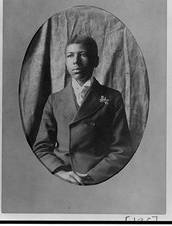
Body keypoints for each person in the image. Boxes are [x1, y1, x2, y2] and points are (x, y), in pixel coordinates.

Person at [33, 34, 134, 185]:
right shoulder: (54, 100)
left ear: (96, 61)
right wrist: (60, 172)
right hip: (61, 177)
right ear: (65, 62)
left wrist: (93, 176)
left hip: (97, 178)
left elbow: (122, 149)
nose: (76, 61)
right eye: (70, 56)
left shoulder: (112, 98)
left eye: (83, 55)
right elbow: (41, 147)